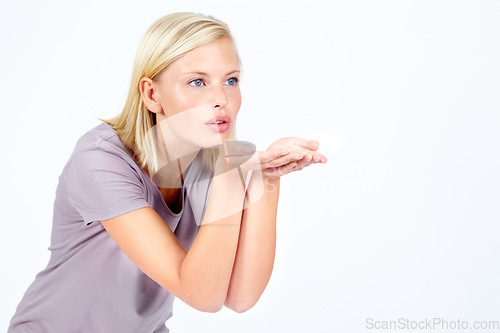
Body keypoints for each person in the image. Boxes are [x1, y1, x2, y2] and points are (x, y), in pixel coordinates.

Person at [8, 12, 327, 333]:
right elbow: (201, 294)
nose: (221, 99)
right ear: (151, 94)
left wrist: (267, 174)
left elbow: (240, 296)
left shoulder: (207, 159)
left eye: (230, 80)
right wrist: (231, 173)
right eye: (197, 82)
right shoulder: (99, 161)